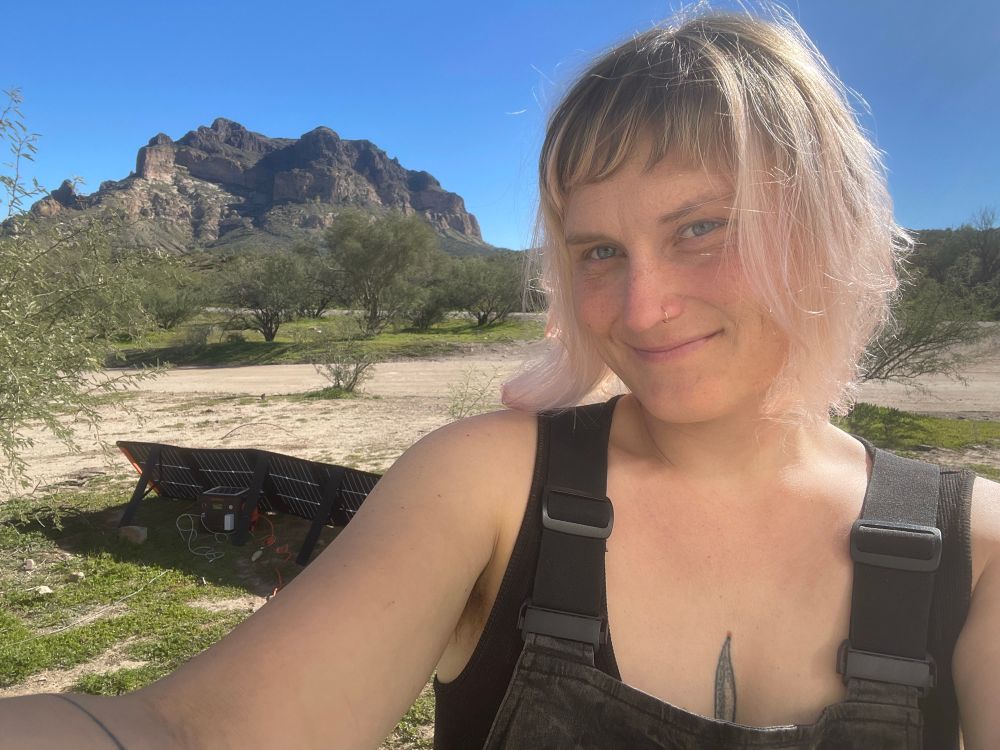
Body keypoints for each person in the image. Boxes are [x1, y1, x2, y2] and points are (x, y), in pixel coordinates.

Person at [3, 5, 999, 749]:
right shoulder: (486, 488)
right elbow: (189, 735)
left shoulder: (979, 550)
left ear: (825, 230)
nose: (641, 305)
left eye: (701, 229)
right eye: (598, 251)